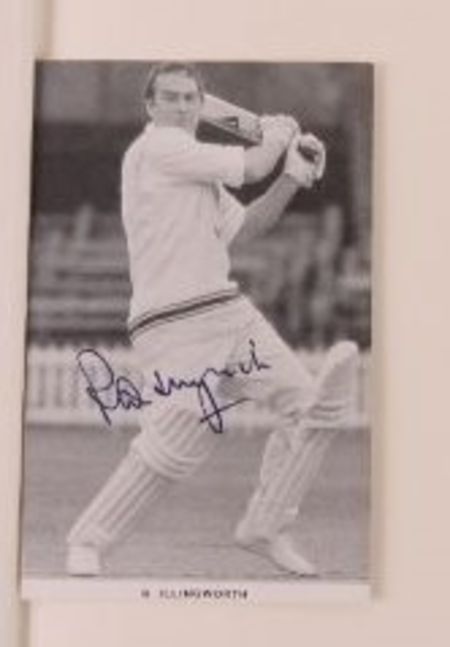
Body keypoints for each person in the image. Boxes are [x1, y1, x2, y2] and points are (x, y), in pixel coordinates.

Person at [66, 62, 358, 578]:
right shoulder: (156, 149)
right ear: (151, 106)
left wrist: (292, 175)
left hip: (226, 309)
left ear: (202, 107)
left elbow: (248, 227)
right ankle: (87, 541)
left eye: (190, 99)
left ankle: (265, 525)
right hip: (171, 319)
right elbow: (251, 165)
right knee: (175, 440)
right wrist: (276, 135)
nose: (182, 107)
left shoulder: (197, 170)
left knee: (312, 409)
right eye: (171, 97)